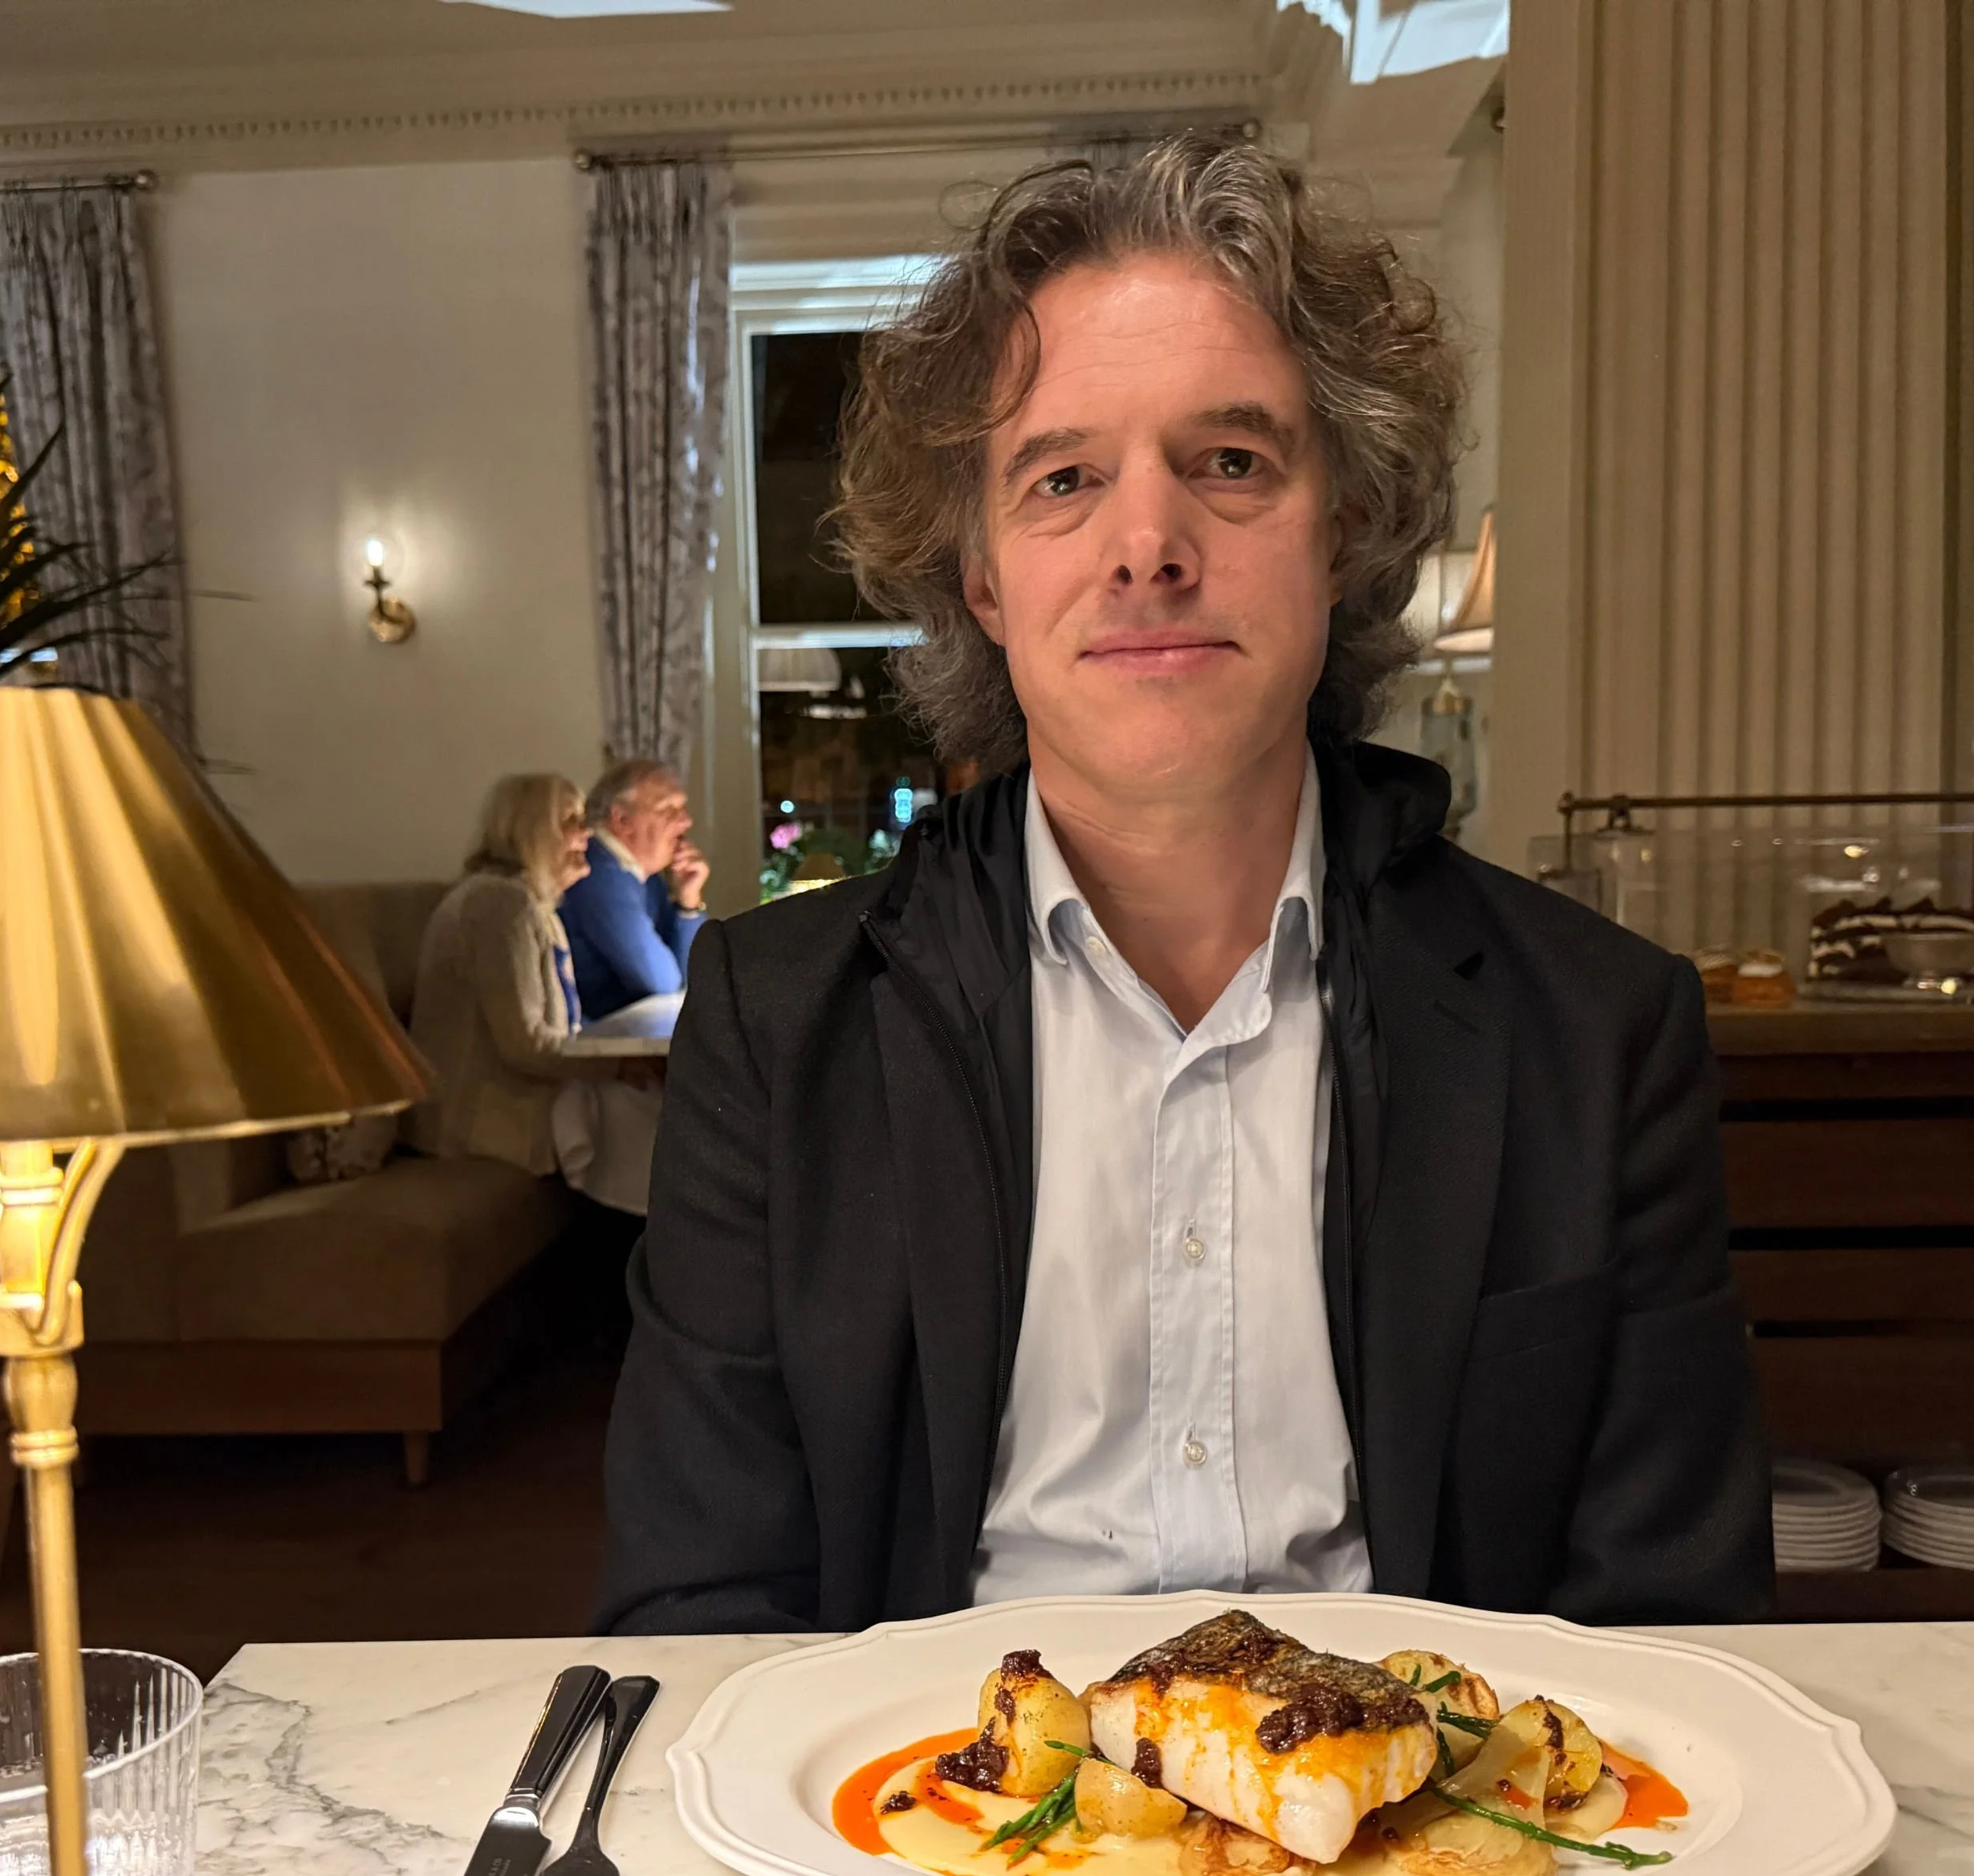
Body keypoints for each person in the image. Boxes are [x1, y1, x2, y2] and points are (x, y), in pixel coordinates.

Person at [596, 135, 1772, 1636]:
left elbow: (1675, 1629)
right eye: (1063, 478)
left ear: (1342, 532)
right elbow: (697, 1613)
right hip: (917, 1824)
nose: (1146, 546)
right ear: (981, 579)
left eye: (1229, 464)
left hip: (1426, 1845)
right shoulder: (774, 1029)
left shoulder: (1602, 1031)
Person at [410, 775, 660, 1284]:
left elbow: (560, 1030)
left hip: (516, 1092)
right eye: (570, 823)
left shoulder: (528, 905)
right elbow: (523, 1045)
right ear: (527, 833)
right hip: (480, 1115)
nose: (586, 835)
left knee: (648, 1095)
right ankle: (633, 1293)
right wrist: (616, 1063)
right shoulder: (498, 906)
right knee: (648, 1107)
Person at [559, 759, 710, 1022]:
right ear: (622, 820)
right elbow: (662, 982)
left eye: (683, 808)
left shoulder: (643, 876)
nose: (686, 821)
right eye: (669, 809)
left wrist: (688, 901)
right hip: (589, 1051)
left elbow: (693, 978)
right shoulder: (598, 873)